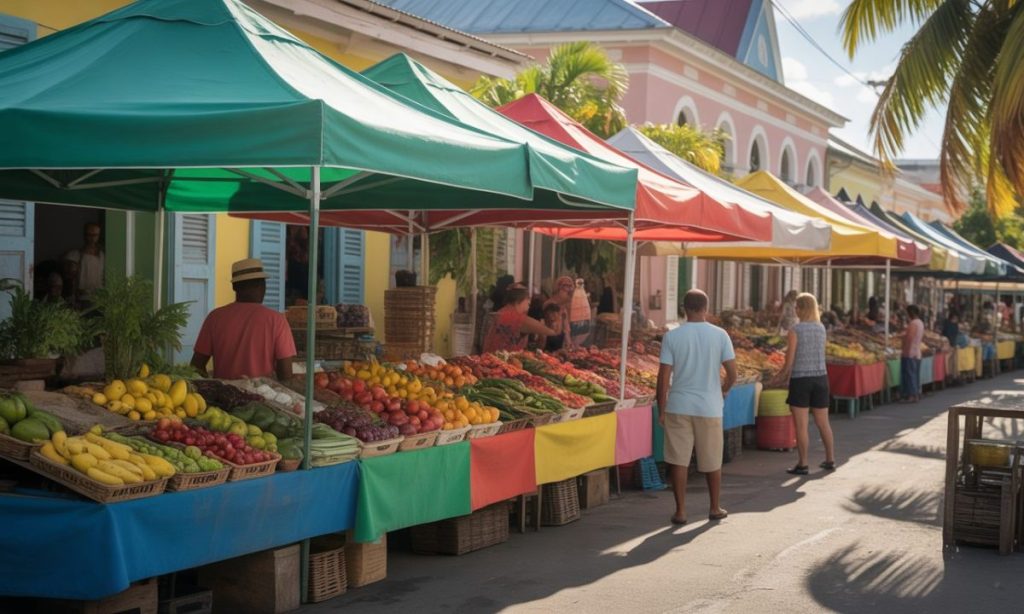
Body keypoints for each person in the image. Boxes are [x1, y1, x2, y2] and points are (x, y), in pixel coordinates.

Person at [656, 289, 736, 525]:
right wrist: (724, 388)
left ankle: (680, 511)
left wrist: (662, 408)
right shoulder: (720, 335)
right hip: (709, 406)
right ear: (706, 308)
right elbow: (733, 373)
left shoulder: (672, 337)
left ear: (684, 308)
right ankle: (714, 507)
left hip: (679, 404)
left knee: (678, 459)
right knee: (712, 459)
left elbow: (663, 378)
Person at [190, 258, 296, 380]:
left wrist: (212, 389)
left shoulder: (214, 318)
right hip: (262, 396)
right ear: (262, 286)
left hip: (223, 396)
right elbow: (286, 374)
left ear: (234, 287)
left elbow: (196, 367)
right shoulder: (277, 320)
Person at [774, 293, 836, 475]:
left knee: (801, 425)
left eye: (797, 307)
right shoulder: (821, 328)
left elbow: (790, 360)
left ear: (801, 309)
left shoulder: (796, 330)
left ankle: (803, 463)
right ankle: (830, 458)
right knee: (823, 423)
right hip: (821, 378)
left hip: (801, 380)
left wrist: (780, 377)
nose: (795, 310)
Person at [482, 285, 557, 353]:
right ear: (518, 301)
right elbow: (552, 332)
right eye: (528, 303)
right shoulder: (517, 318)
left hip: (490, 359)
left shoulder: (501, 312)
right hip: (499, 363)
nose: (528, 307)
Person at [63, 222, 105, 305]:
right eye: (89, 234)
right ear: (85, 235)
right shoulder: (75, 255)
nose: (92, 238)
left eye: (95, 235)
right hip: (82, 299)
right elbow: (69, 279)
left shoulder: (102, 255)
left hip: (99, 299)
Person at [901, 304, 924, 403]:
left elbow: (909, 338)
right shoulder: (920, 323)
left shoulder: (913, 323)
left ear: (911, 313)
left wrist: (905, 350)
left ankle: (911, 396)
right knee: (914, 375)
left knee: (910, 375)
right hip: (917, 352)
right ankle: (915, 394)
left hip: (910, 352)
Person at [544, 276, 575, 348]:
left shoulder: (565, 306)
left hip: (561, 344)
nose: (569, 289)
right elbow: (551, 329)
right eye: (565, 285)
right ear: (558, 288)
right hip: (550, 344)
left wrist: (569, 344)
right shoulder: (550, 305)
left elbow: (566, 329)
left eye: (571, 286)